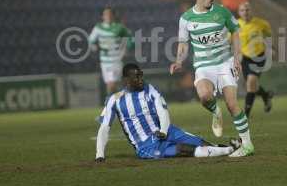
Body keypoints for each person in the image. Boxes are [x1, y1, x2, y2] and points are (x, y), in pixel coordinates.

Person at [170, 0, 254, 157]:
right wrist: (178, 61)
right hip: (203, 65)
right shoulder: (186, 19)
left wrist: (238, 56)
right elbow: (183, 44)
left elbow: (236, 32)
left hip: (225, 63)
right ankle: (215, 111)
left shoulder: (222, 12)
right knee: (205, 96)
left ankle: (247, 145)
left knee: (232, 104)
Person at [95, 63, 238, 161]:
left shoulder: (150, 89)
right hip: (147, 146)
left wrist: (163, 130)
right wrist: (99, 154)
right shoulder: (114, 99)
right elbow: (104, 128)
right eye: (136, 77)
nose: (140, 79)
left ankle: (227, 148)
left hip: (166, 131)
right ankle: (229, 150)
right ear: (126, 80)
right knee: (183, 149)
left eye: (141, 75)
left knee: (201, 142)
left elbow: (162, 112)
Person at [237, 2, 274, 117]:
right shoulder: (235, 25)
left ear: (251, 11)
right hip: (244, 58)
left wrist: (272, 48)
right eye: (243, 10)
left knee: (251, 83)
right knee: (252, 85)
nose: (245, 12)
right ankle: (265, 96)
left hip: (259, 57)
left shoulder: (261, 24)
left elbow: (268, 37)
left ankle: (245, 115)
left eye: (247, 10)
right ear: (239, 12)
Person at [89, 7, 134, 97]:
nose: (108, 16)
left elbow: (131, 38)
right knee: (110, 85)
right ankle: (117, 102)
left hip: (116, 59)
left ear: (113, 15)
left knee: (112, 83)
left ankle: (110, 104)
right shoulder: (98, 27)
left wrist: (127, 48)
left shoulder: (119, 27)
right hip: (104, 60)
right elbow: (91, 40)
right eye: (106, 14)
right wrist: (94, 47)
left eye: (110, 14)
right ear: (102, 16)